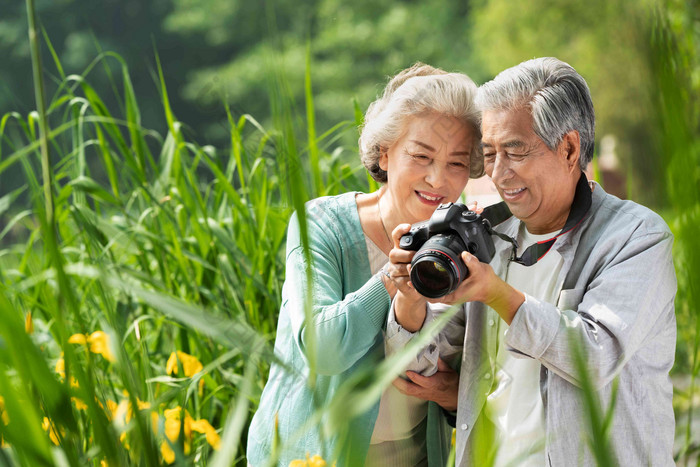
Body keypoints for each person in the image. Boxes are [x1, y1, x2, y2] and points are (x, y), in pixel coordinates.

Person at [387, 57, 677, 466]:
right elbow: (418, 366)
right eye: (489, 154)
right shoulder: (489, 237)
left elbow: (595, 358)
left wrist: (495, 293)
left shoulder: (635, 238)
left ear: (570, 149)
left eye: (515, 151)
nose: (499, 174)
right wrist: (410, 296)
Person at [246, 63, 483, 466]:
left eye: (457, 163)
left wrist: (455, 393)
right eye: (421, 156)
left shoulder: (462, 243)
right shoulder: (321, 224)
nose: (437, 179)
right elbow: (321, 351)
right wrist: (392, 276)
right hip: (309, 456)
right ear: (385, 153)